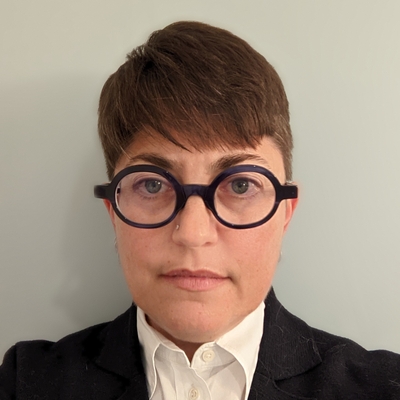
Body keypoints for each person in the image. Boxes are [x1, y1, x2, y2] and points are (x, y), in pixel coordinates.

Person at [1, 21, 399, 400]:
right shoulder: (27, 383)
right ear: (113, 211)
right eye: (152, 185)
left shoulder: (383, 388)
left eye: (240, 185)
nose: (193, 233)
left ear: (285, 213)